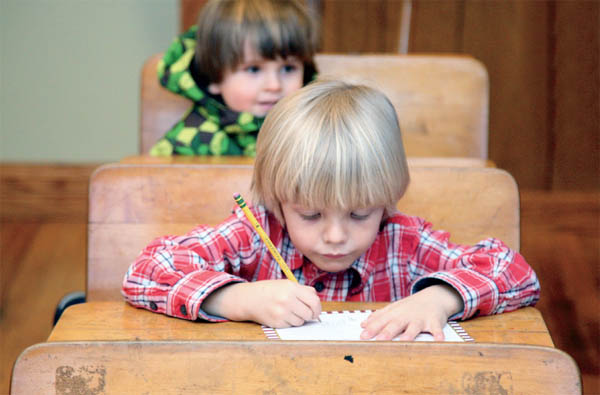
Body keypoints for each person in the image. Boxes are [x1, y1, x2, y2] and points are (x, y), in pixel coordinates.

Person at [123, 80, 540, 341]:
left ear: (387, 197)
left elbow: (515, 272)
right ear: (278, 200)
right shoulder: (257, 232)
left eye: (359, 215)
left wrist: (440, 298)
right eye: (310, 215)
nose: (336, 236)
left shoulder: (402, 239)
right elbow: (146, 272)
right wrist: (237, 298)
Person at [150, 0, 319, 157]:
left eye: (288, 68)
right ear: (215, 77)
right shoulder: (188, 142)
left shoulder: (316, 131)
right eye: (253, 69)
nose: (274, 86)